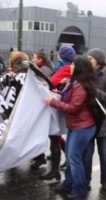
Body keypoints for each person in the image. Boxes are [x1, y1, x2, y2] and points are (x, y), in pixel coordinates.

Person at [44, 56, 96, 200]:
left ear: (79, 67)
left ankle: (80, 189)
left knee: (74, 158)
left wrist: (53, 102)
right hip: (76, 125)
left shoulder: (80, 86)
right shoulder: (76, 83)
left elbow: (73, 108)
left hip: (82, 127)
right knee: (70, 155)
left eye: (73, 64)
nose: (70, 66)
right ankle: (68, 184)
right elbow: (69, 100)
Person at [37, 46, 76, 180]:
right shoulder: (67, 67)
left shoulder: (65, 68)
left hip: (57, 104)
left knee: (55, 136)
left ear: (62, 56)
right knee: (56, 136)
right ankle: (61, 165)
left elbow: (51, 82)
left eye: (60, 54)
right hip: (59, 103)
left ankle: (55, 170)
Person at [84, 48, 106, 191]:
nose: (88, 60)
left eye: (91, 59)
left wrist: (93, 90)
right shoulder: (85, 75)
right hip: (89, 120)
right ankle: (86, 180)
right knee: (87, 154)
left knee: (105, 154)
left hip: (104, 121)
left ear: (98, 61)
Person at [30, 50, 53, 171]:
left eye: (34, 57)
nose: (33, 59)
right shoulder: (43, 68)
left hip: (43, 104)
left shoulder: (44, 70)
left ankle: (40, 157)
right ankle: (39, 156)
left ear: (41, 59)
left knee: (46, 134)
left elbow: (41, 85)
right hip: (42, 104)